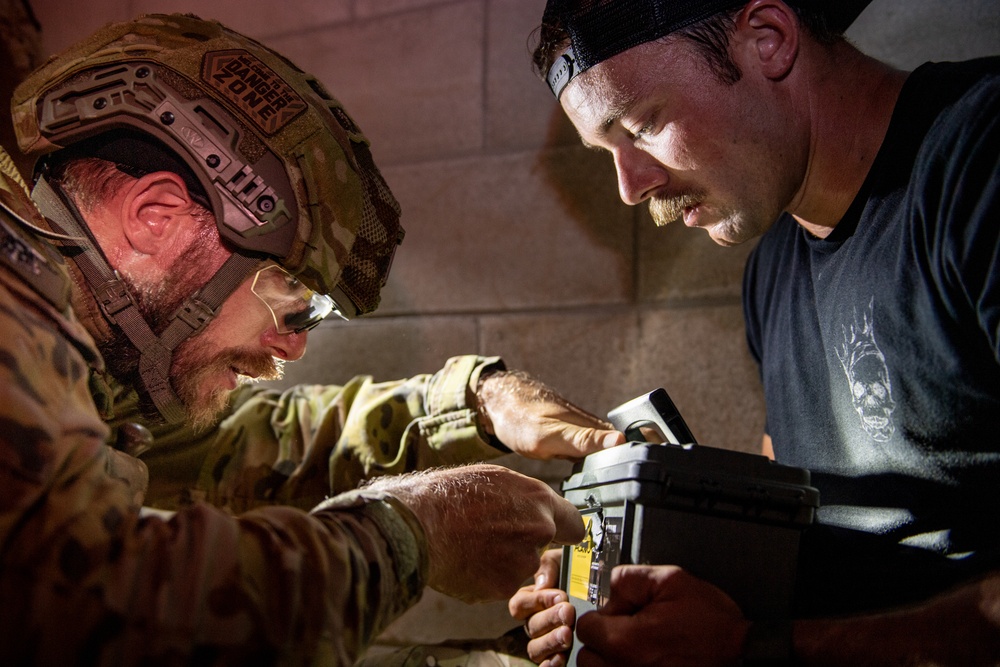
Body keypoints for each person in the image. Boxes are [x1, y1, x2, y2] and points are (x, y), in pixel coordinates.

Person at [0, 13, 626, 666]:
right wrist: (416, 533)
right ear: (155, 221)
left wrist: (474, 404)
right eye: (285, 292)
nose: (291, 346)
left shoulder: (90, 352)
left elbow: (234, 448)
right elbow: (95, 611)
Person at [509, 0, 1000, 665]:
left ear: (767, 41)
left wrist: (749, 649)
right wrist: (624, 594)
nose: (629, 187)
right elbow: (792, 545)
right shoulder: (772, 268)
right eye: (608, 152)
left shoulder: (980, 165)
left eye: (644, 124)